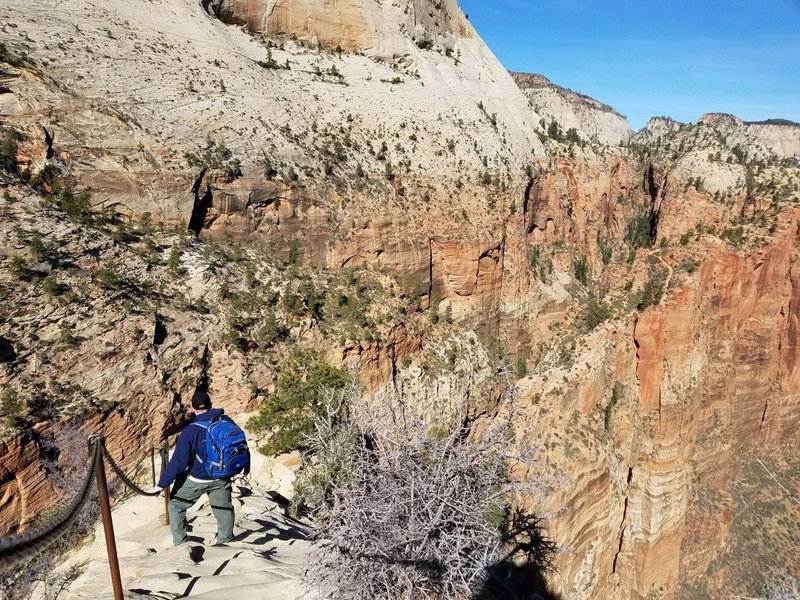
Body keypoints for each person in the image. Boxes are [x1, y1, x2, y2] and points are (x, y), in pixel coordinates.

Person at [157, 390, 239, 546]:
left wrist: (162, 483)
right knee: (224, 508)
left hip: (198, 478)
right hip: (222, 475)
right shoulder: (226, 421)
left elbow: (179, 463)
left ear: (192, 409)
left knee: (175, 506)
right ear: (211, 405)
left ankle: (181, 546)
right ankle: (226, 541)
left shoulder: (190, 430)